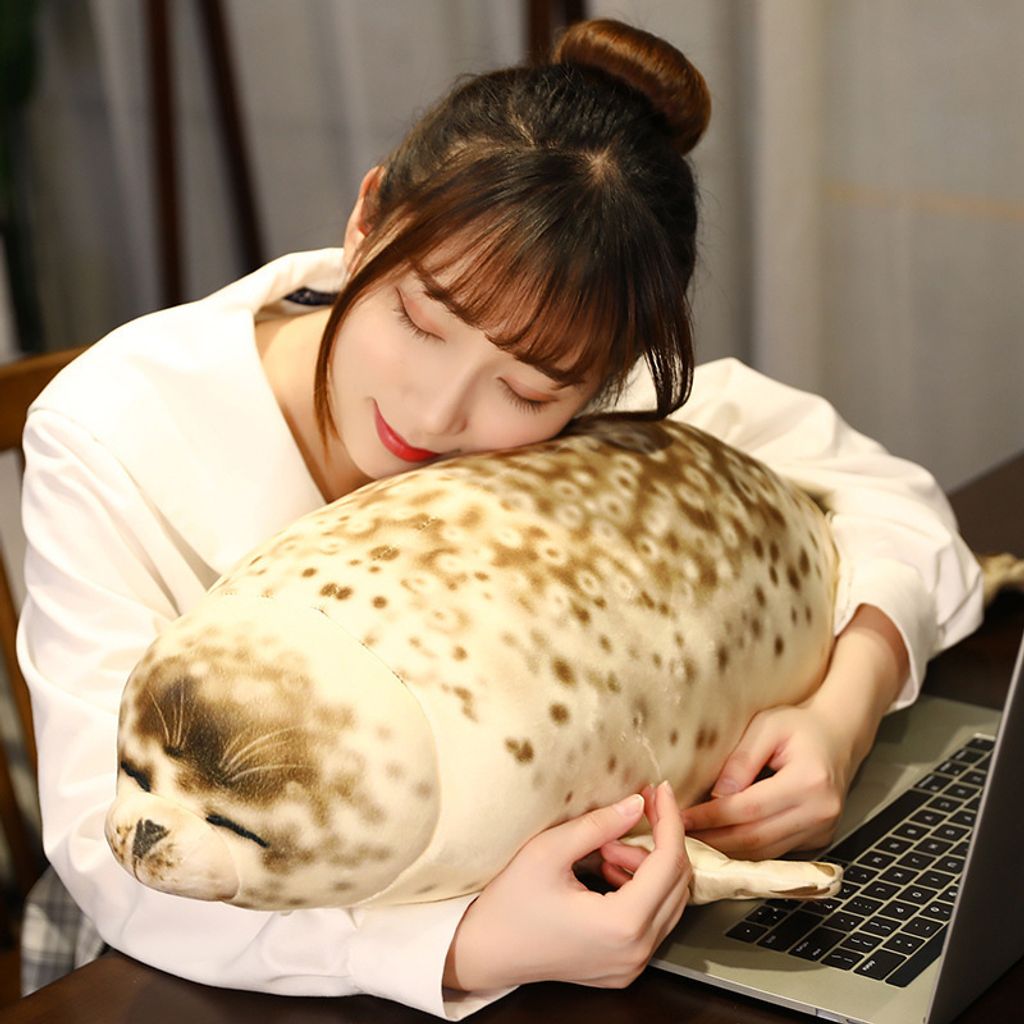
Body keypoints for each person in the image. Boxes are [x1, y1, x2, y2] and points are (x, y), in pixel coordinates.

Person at [17, 17, 981, 1018]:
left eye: (524, 391)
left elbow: (890, 499)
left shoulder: (590, 370)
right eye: (419, 319)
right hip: (220, 956)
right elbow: (109, 853)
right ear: (366, 220)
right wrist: (461, 945)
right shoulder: (115, 428)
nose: (436, 413)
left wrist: (842, 711)